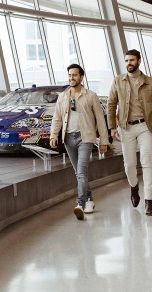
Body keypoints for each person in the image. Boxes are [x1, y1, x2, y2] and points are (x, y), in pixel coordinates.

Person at [107, 49, 152, 216]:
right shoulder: (118, 81)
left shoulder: (151, 82)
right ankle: (134, 187)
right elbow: (111, 104)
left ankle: (149, 201)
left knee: (146, 162)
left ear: (139, 61)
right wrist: (112, 127)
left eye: (132, 60)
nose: (129, 63)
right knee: (129, 165)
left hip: (145, 127)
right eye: (126, 60)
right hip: (125, 128)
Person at [49, 64, 109, 220]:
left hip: (85, 138)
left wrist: (104, 140)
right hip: (68, 138)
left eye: (75, 75)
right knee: (79, 173)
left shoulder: (91, 96)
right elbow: (57, 118)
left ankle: (79, 204)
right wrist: (53, 135)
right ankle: (89, 199)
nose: (71, 78)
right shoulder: (63, 97)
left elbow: (101, 120)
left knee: (81, 172)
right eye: (70, 75)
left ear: (81, 77)